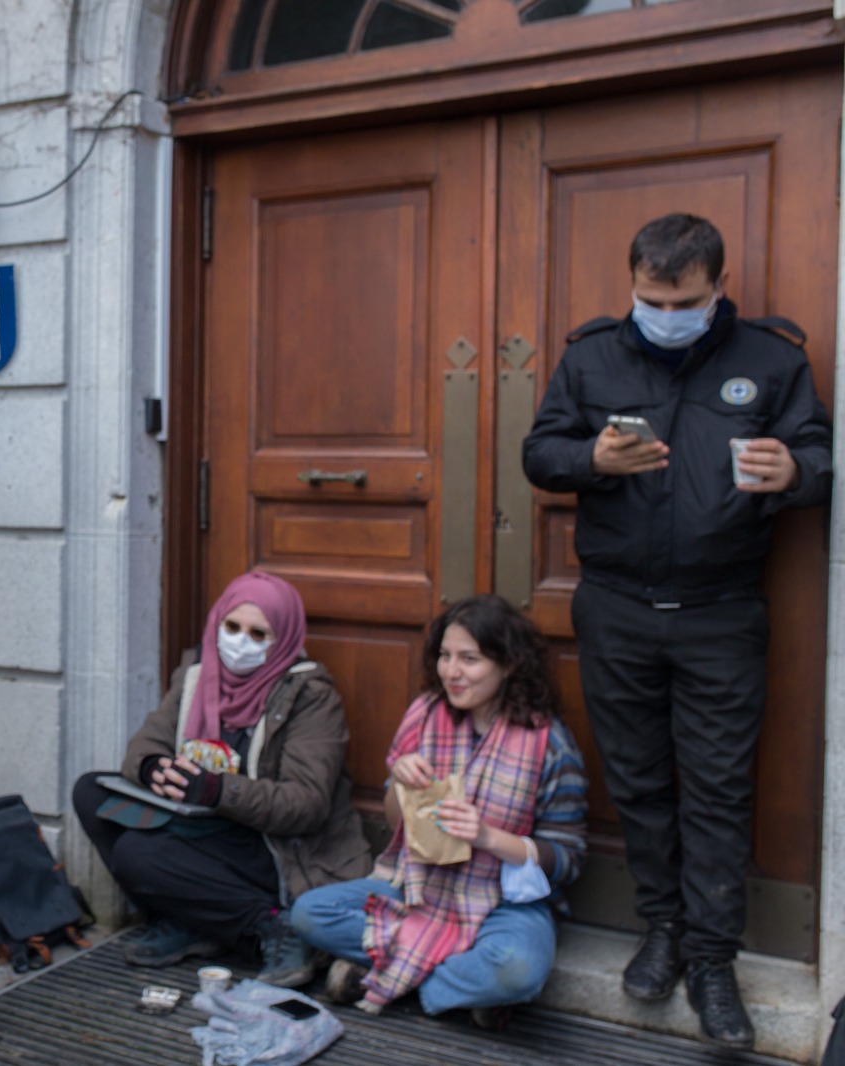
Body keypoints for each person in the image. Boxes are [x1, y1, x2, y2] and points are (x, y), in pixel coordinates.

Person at [521, 213, 831, 1049]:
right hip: (616, 606)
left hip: (722, 613)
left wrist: (798, 471)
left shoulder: (772, 358)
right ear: (633, 286)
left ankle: (714, 959)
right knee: (641, 783)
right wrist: (591, 460)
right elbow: (539, 452)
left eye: (681, 300)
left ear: (716, 289)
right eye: (650, 298)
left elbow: (822, 455)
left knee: (719, 790)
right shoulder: (592, 354)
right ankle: (660, 934)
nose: (663, 312)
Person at [290, 595, 588, 1029]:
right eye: (446, 656)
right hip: (418, 886)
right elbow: (397, 825)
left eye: (470, 659)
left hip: (504, 901)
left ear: (508, 664)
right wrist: (401, 781)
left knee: (517, 971)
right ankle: (459, 986)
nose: (452, 671)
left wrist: (488, 837)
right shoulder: (426, 715)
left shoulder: (549, 743)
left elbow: (568, 859)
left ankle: (401, 974)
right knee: (309, 914)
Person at [72, 570, 371, 987]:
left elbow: (306, 805)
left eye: (257, 633)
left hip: (274, 846)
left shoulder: (310, 695)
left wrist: (215, 789)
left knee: (139, 854)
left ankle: (272, 926)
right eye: (232, 627)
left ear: (282, 638)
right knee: (90, 793)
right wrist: (154, 769)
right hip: (202, 821)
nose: (239, 642)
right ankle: (193, 922)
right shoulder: (197, 673)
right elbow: (146, 745)